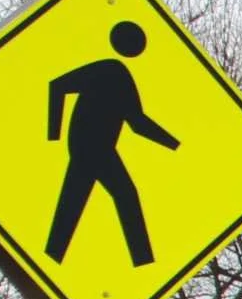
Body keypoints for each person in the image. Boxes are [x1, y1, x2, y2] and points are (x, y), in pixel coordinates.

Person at [45, 20, 179, 267]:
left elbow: (137, 122)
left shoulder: (120, 75)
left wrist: (174, 145)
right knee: (121, 196)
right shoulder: (110, 70)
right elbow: (57, 86)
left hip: (98, 149)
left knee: (75, 205)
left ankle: (52, 259)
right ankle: (143, 262)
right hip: (91, 147)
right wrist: (53, 135)